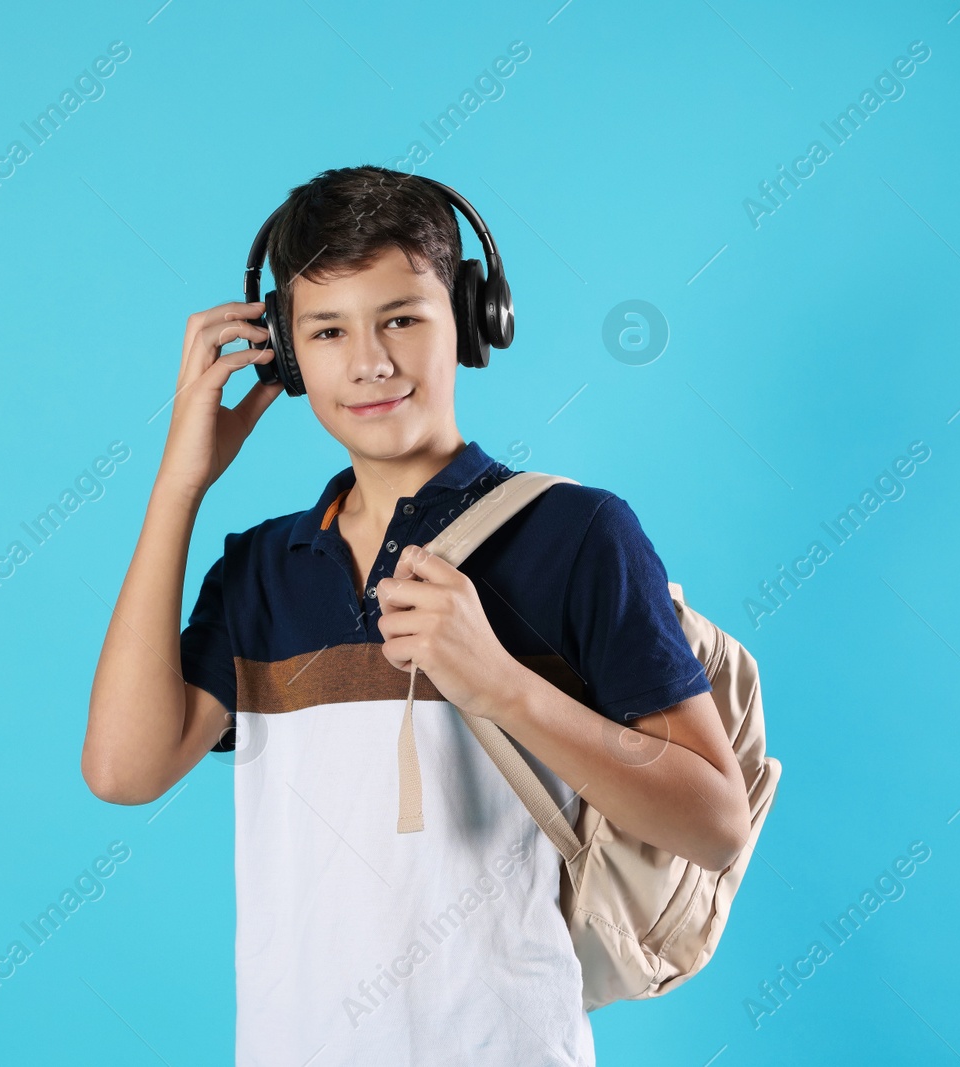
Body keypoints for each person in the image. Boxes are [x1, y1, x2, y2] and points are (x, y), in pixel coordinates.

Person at [81, 165, 751, 1066]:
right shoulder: (264, 567)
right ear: (282, 351)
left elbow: (714, 820)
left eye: (402, 317)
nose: (371, 362)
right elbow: (123, 768)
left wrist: (504, 686)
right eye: (326, 330)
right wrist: (180, 484)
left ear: (472, 322)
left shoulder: (577, 533)